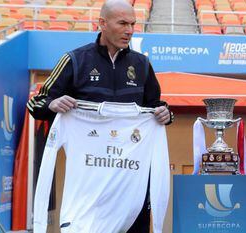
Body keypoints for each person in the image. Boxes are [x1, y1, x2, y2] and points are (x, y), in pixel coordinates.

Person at [26, 0, 172, 232]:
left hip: (130, 180)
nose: (130, 30)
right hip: (90, 180)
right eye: (123, 23)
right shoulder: (74, 60)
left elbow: (155, 106)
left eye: (133, 24)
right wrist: (53, 103)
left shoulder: (142, 64)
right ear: (102, 23)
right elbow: (36, 103)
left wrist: (165, 113)